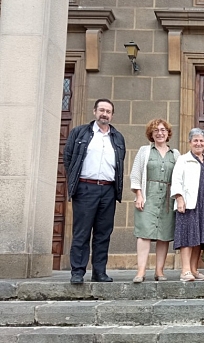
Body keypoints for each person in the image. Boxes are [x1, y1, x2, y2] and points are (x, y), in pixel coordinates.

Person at [64, 98, 125, 284]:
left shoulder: (117, 137)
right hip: (85, 187)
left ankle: (99, 272)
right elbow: (68, 158)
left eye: (108, 111)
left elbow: (119, 163)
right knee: (82, 232)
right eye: (101, 110)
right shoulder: (80, 132)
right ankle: (78, 272)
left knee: (103, 233)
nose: (104, 114)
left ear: (112, 115)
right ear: (94, 111)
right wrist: (76, 182)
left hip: (108, 190)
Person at [130, 119, 180, 283]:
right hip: (148, 196)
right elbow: (136, 174)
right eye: (156, 130)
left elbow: (179, 178)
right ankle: (141, 271)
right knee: (144, 234)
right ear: (151, 133)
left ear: (168, 133)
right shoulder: (144, 151)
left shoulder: (176, 154)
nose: (160, 133)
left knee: (163, 235)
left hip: (167, 199)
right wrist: (139, 195)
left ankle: (159, 271)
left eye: (163, 130)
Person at [171, 128, 204, 282]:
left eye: (201, 141)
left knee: (199, 238)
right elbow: (176, 179)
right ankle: (185, 271)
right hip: (188, 204)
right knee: (187, 237)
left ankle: (193, 270)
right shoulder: (183, 159)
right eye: (196, 140)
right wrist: (179, 198)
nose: (199, 143)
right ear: (190, 142)